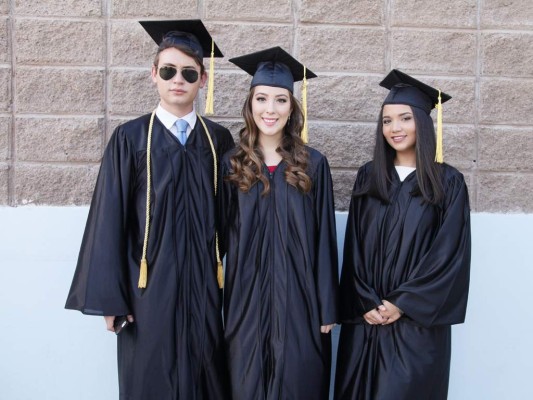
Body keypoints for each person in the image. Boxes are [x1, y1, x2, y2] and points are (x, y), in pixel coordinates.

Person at [65, 20, 234, 400]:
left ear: (202, 81)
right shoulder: (131, 138)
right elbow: (108, 220)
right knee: (149, 378)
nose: (179, 79)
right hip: (148, 289)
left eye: (189, 73)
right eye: (169, 70)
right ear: (153, 74)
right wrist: (112, 298)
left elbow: (232, 219)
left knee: (206, 377)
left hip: (205, 287)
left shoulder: (218, 140)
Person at [334, 69, 471, 400]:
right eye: (386, 121)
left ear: (423, 124)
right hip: (366, 322)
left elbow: (449, 255)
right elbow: (354, 247)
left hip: (415, 327)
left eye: (405, 118)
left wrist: (401, 303)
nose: (394, 128)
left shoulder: (447, 182)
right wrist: (365, 300)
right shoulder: (369, 177)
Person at [218, 46, 340, 400]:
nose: (270, 110)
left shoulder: (313, 164)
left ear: (292, 108)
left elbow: (324, 239)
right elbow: (219, 239)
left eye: (280, 100)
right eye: (261, 99)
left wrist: (326, 307)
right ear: (250, 104)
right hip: (245, 300)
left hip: (300, 302)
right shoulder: (232, 165)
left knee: (298, 380)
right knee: (245, 381)